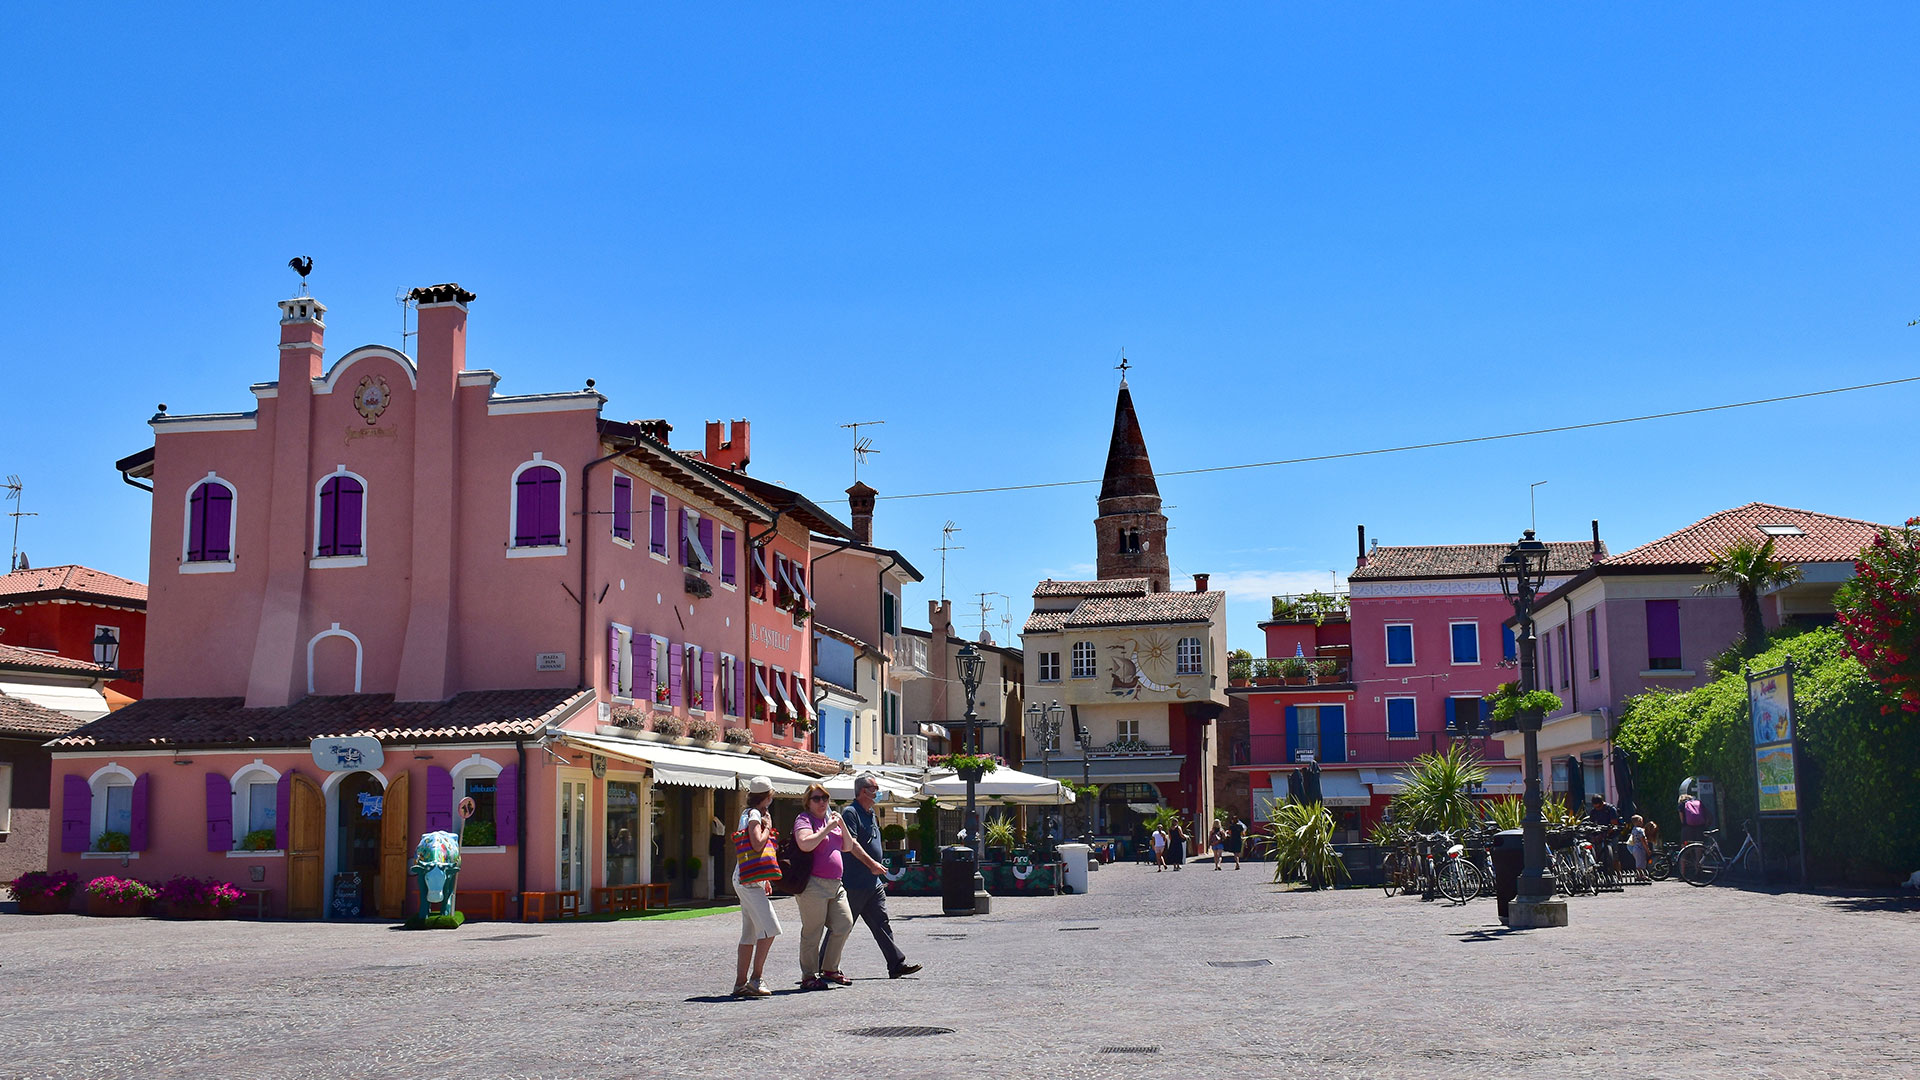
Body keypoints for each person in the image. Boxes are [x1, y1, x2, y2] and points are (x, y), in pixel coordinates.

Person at [792, 783, 886, 991]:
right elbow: (805, 844)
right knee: (812, 931)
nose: (822, 802)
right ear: (808, 802)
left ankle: (830, 969)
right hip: (813, 884)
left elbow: (847, 846)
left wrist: (841, 824)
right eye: (817, 798)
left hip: (836, 883)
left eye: (825, 798)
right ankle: (809, 975)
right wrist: (826, 828)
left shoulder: (830, 819)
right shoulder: (804, 820)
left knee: (844, 923)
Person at [839, 775, 922, 980]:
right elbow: (852, 844)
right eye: (874, 788)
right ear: (863, 791)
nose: (877, 791)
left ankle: (896, 964)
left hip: (873, 883)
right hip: (855, 882)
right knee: (842, 926)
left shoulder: (872, 814)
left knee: (882, 924)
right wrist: (872, 864)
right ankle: (823, 966)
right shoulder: (851, 813)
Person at [730, 777, 781, 998]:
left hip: (746, 877)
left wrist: (764, 878)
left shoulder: (746, 813)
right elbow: (758, 842)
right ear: (767, 797)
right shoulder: (755, 815)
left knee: (749, 934)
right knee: (771, 928)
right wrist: (768, 827)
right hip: (748, 881)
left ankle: (740, 983)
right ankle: (756, 978)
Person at [1626, 814, 1651, 882]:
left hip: (1635, 847)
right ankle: (1640, 875)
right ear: (1639, 821)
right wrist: (1647, 849)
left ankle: (1640, 875)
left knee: (1638, 862)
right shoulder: (1640, 830)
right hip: (1640, 848)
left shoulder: (1633, 830)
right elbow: (1643, 840)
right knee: (1641, 863)